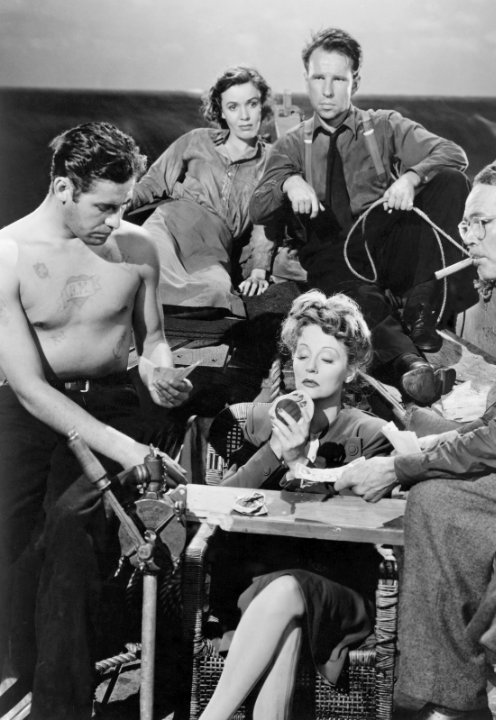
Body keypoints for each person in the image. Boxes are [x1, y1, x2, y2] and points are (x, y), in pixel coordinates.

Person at [336, 158, 496, 719]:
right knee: (467, 506)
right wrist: (435, 447)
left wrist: (402, 466)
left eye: (480, 223)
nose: (468, 239)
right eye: (465, 226)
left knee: (435, 503)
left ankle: (442, 702)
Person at [0, 121, 192, 718]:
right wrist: (124, 449)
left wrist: (161, 373)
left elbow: (153, 339)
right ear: (63, 188)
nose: (117, 219)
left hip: (112, 403)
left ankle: (59, 709)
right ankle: (20, 673)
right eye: (104, 206)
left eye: (125, 204)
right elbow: (28, 385)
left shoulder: (138, 249)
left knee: (71, 532)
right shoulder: (8, 253)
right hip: (28, 410)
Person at [249, 27, 476, 406]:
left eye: (338, 79)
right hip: (333, 255)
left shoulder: (383, 125)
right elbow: (258, 208)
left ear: (355, 81)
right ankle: (412, 369)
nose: (327, 90)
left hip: (386, 247)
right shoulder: (291, 144)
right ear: (306, 79)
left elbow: (454, 154)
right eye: (318, 78)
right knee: (353, 295)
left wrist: (411, 178)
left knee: (450, 181)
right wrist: (289, 182)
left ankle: (422, 305)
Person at [198, 290, 390, 720]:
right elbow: (222, 505)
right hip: (265, 587)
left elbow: (358, 525)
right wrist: (274, 454)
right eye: (302, 356)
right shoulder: (268, 423)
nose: (310, 368)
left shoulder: (370, 434)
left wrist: (304, 465)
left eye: (327, 359)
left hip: (338, 589)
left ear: (351, 369)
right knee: (287, 626)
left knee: (288, 592)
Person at [129, 65, 275, 315]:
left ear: (262, 105)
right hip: (169, 225)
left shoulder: (272, 160)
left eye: (251, 104)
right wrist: (119, 203)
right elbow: (153, 182)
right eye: (233, 107)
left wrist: (259, 270)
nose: (244, 116)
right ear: (222, 112)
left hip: (212, 245)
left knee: (216, 293)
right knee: (142, 273)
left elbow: (266, 221)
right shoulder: (197, 139)